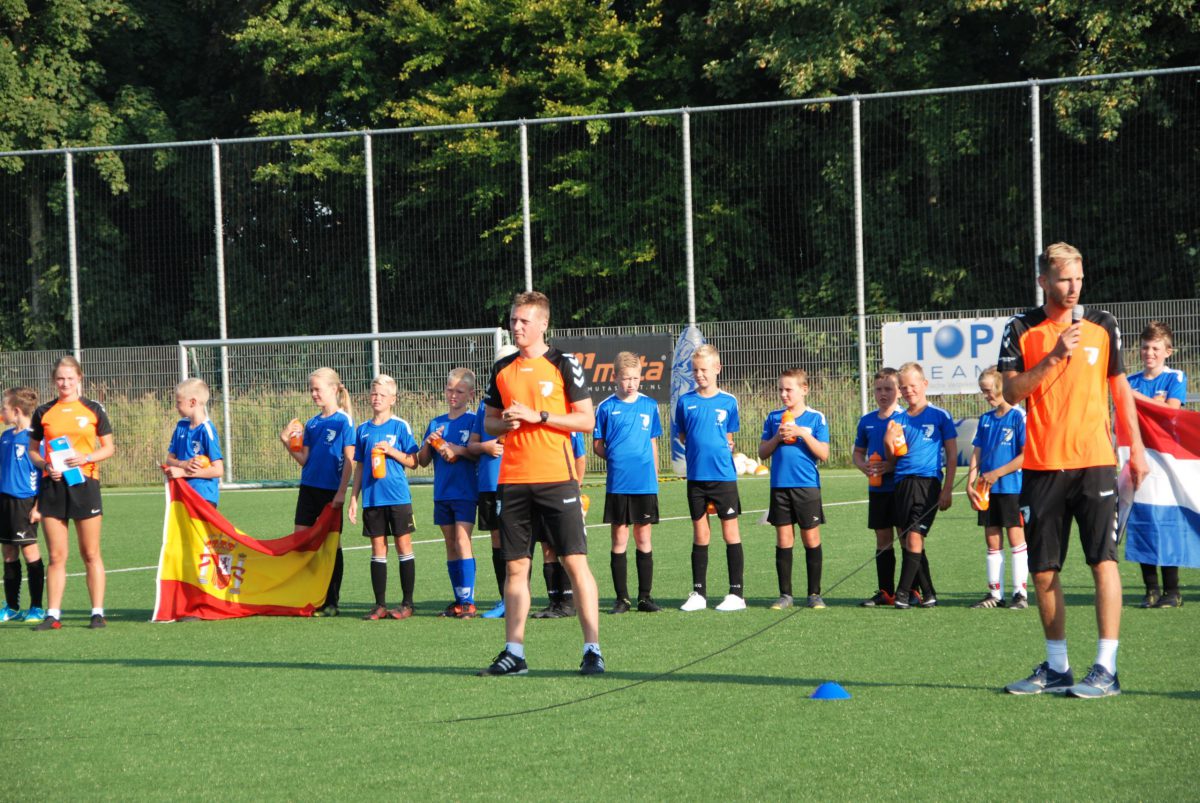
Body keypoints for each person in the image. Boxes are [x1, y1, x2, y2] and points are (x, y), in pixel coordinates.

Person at [1000, 241, 1148, 698]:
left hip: (1095, 463)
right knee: (1044, 570)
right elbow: (1011, 393)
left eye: (1079, 279)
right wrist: (1053, 356)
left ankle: (1106, 668)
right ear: (1043, 281)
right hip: (1043, 466)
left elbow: (1120, 391)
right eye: (1064, 279)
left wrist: (1137, 450)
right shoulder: (1020, 328)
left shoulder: (1103, 325)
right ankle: (1058, 666)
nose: (1073, 288)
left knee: (1103, 560)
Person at [477, 291, 603, 676]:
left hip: (556, 479)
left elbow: (586, 421)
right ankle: (514, 652)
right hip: (513, 481)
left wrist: (540, 416)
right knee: (516, 568)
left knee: (574, 562)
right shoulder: (503, 369)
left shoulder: (564, 363)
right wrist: (505, 422)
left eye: (523, 321)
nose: (516, 327)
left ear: (543, 324)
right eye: (513, 320)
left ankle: (592, 650)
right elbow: (489, 423)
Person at [28, 356, 115, 630]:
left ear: (79, 378)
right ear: (54, 381)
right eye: (60, 379)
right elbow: (33, 451)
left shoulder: (93, 409)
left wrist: (85, 457)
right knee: (56, 556)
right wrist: (45, 466)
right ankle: (53, 615)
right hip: (53, 487)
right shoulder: (43, 412)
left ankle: (97, 613)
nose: (65, 383)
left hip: (85, 485)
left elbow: (109, 448)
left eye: (69, 378)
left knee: (90, 553)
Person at [676, 344, 746, 612]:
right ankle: (699, 594)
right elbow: (684, 435)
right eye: (695, 370)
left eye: (704, 370)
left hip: (723, 478)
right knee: (700, 533)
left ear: (717, 369)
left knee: (730, 532)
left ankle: (736, 594)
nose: (699, 375)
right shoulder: (685, 402)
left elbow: (729, 436)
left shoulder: (728, 401)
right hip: (696, 478)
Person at [280, 367, 355, 617]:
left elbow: (350, 459)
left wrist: (342, 492)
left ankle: (331, 601)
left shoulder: (343, 421)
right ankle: (310, 595)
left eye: (317, 389)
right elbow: (305, 460)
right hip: (308, 489)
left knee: (331, 545)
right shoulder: (312, 423)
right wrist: (286, 442)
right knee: (301, 541)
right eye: (311, 389)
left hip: (330, 492)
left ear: (333, 389)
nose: (313, 394)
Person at [594, 351, 663, 614]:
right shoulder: (606, 407)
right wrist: (615, 457)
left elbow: (653, 442)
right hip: (618, 484)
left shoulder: (649, 405)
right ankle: (621, 599)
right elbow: (598, 445)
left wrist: (655, 475)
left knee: (643, 537)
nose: (631, 383)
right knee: (619, 538)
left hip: (644, 484)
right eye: (626, 379)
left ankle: (645, 597)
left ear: (641, 378)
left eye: (635, 378)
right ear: (615, 377)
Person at [348, 374, 421, 621]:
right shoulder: (363, 430)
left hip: (398, 497)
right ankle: (379, 605)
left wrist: (391, 451)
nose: (376, 398)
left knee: (403, 545)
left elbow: (414, 461)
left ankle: (407, 603)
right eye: (373, 393)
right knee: (378, 548)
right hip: (373, 498)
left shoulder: (400, 426)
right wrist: (354, 498)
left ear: (393, 399)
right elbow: (359, 466)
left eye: (382, 394)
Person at [1126, 320, 1188, 608]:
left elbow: (1171, 413)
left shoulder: (1175, 377)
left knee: (1166, 522)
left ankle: (1172, 591)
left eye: (1155, 348)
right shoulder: (1130, 380)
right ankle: (1150, 589)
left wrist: (1137, 399)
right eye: (1145, 347)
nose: (1149, 353)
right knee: (1143, 521)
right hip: (1138, 458)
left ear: (1168, 351)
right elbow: (1121, 419)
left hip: (1166, 462)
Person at [886, 362, 955, 609]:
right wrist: (888, 441)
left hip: (928, 484)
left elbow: (952, 455)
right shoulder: (898, 420)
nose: (908, 391)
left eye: (913, 386)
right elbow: (893, 458)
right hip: (902, 483)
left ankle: (902, 593)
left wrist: (947, 489)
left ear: (924, 384)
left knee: (915, 538)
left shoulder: (940, 416)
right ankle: (929, 593)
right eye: (903, 387)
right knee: (908, 540)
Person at [760, 368, 830, 609]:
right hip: (780, 486)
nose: (783, 394)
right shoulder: (773, 418)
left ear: (804, 390)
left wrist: (801, 433)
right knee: (783, 539)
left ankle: (814, 594)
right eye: (780, 389)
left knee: (810, 538)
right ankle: (785, 595)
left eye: (788, 389)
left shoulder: (815, 418)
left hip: (806, 487)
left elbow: (824, 454)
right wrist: (777, 438)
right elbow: (762, 452)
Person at [418, 367, 480, 619]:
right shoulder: (436, 422)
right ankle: (459, 598)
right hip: (442, 492)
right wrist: (429, 442)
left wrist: (458, 449)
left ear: (471, 394)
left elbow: (478, 453)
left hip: (465, 491)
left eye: (460, 391)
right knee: (450, 544)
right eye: (450, 390)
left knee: (463, 541)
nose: (453, 395)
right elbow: (422, 461)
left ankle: (468, 602)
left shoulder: (474, 421)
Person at [965, 367, 1029, 609]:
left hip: (1013, 488)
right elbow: (977, 453)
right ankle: (995, 594)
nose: (986, 396)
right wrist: (971, 483)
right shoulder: (986, 419)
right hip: (986, 490)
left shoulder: (1018, 417)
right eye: (983, 391)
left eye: (988, 390)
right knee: (992, 539)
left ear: (1001, 387)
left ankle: (1020, 594)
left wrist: (996, 473)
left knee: (1016, 538)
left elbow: (1025, 456)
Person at [467, 345, 519, 619]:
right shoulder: (485, 404)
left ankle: (526, 597)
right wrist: (486, 447)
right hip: (488, 483)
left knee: (518, 541)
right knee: (496, 540)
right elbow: (473, 444)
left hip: (515, 479)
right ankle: (504, 599)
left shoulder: (520, 398)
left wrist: (503, 439)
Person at [0, 387, 46, 624]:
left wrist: (39, 506)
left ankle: (36, 607)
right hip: (4, 501)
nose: (2, 412)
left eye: (4, 408)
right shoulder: (5, 436)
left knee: (29, 552)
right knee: (8, 553)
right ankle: (11, 607)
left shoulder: (34, 439)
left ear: (16, 411)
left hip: (25, 502)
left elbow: (44, 475)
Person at [530, 431, 587, 619]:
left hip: (563, 493)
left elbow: (580, 458)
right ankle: (554, 602)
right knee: (547, 547)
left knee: (566, 549)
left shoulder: (570, 427)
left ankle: (568, 602)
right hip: (540, 492)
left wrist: (576, 488)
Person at [162, 378, 224, 507]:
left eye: (179, 402)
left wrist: (184, 472)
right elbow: (169, 460)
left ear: (192, 402)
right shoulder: (181, 426)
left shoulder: (207, 430)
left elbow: (218, 470)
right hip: (183, 493)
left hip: (204, 496)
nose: (176, 406)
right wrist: (183, 464)